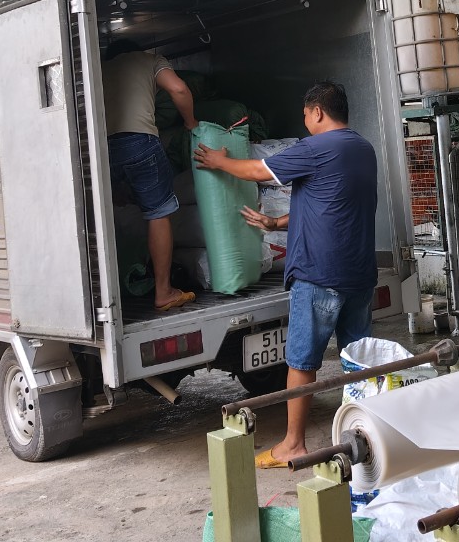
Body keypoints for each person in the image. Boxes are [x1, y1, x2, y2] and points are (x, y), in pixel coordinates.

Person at [194, 80, 377, 468]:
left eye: (306, 115)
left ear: (317, 112)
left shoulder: (317, 148)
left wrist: (219, 161)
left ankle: (293, 444)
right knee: (358, 357)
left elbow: (258, 171)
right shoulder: (363, 149)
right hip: (359, 274)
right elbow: (330, 205)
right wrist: (277, 223)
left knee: (301, 362)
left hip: (319, 273)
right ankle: (369, 432)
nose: (306, 122)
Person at [101, 40, 199, 312]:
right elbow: (179, 88)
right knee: (158, 212)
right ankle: (164, 291)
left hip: (101, 148)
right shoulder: (150, 60)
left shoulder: (97, 67)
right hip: (140, 142)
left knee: (114, 204)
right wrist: (191, 123)